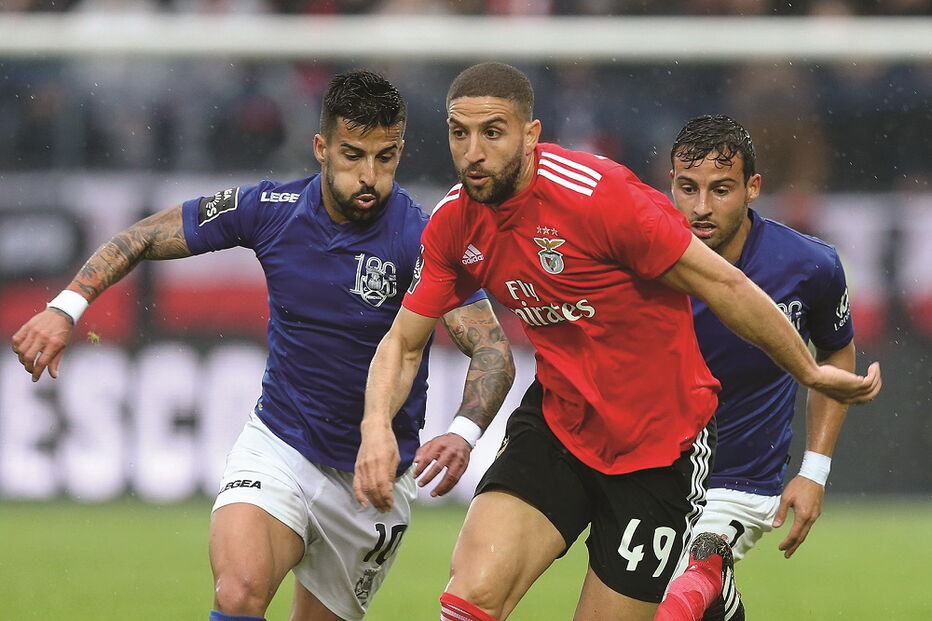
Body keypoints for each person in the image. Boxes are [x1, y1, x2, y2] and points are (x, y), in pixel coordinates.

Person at [353, 62, 881, 621]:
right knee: (470, 595)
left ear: (530, 135)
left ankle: (717, 598)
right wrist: (374, 429)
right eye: (460, 132)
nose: (473, 151)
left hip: (661, 446)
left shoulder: (600, 197)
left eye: (493, 131)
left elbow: (723, 284)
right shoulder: (454, 222)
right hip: (559, 423)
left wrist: (810, 371)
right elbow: (404, 342)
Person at [10, 71, 515, 621]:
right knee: (239, 593)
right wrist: (67, 307)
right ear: (321, 148)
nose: (369, 176)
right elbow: (143, 236)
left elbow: (492, 350)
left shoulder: (423, 238)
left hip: (374, 480)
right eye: (352, 155)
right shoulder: (273, 209)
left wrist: (464, 433)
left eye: (385, 157)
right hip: (281, 447)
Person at [660, 114, 859, 620]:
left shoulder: (808, 265)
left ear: (753, 187)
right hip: (654, 473)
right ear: (672, 186)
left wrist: (814, 472)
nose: (702, 207)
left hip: (743, 483)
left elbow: (836, 352)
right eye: (689, 188)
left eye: (721, 189)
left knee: (683, 594)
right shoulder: (646, 261)